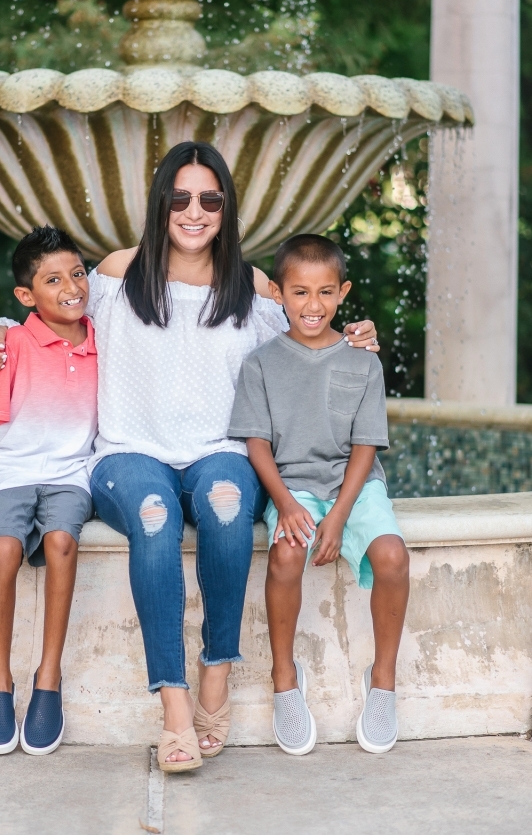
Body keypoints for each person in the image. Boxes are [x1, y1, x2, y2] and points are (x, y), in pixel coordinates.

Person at [0, 143, 379, 772]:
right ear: (161, 200)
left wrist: (359, 337)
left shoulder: (252, 286)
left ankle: (215, 671)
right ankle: (173, 702)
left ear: (227, 207)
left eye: (210, 198)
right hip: (127, 454)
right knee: (157, 516)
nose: (195, 211)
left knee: (223, 508)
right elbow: (55, 313)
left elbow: (311, 337)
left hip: (219, 451)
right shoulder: (114, 274)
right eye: (181, 196)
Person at [228, 233, 409, 756]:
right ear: (279, 295)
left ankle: (384, 681)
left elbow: (366, 445)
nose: (313, 305)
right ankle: (285, 679)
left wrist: (340, 516)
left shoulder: (361, 360)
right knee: (285, 554)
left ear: (343, 292)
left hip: (354, 485)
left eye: (326, 292)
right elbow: (256, 443)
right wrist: (285, 503)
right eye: (300, 293)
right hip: (293, 487)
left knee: (393, 556)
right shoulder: (261, 362)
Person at [0, 226, 96, 756]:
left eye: (78, 274)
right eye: (53, 280)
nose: (71, 287)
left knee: (61, 542)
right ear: (27, 296)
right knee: (4, 549)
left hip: (71, 474)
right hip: (9, 473)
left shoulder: (102, 338)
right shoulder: (11, 343)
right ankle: (0, 683)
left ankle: (48, 678)